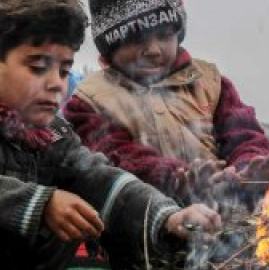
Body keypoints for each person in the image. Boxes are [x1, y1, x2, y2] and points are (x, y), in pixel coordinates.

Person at [0, 0, 221, 269]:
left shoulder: (53, 136)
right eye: (37, 67)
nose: (55, 83)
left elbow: (100, 180)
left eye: (64, 71)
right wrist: (39, 204)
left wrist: (169, 218)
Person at [63, 0, 269, 211]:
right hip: (139, 237)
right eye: (137, 38)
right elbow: (118, 157)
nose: (153, 50)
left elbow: (245, 136)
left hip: (224, 234)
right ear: (110, 45)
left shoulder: (209, 82)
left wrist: (246, 169)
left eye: (164, 35)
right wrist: (175, 178)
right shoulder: (90, 101)